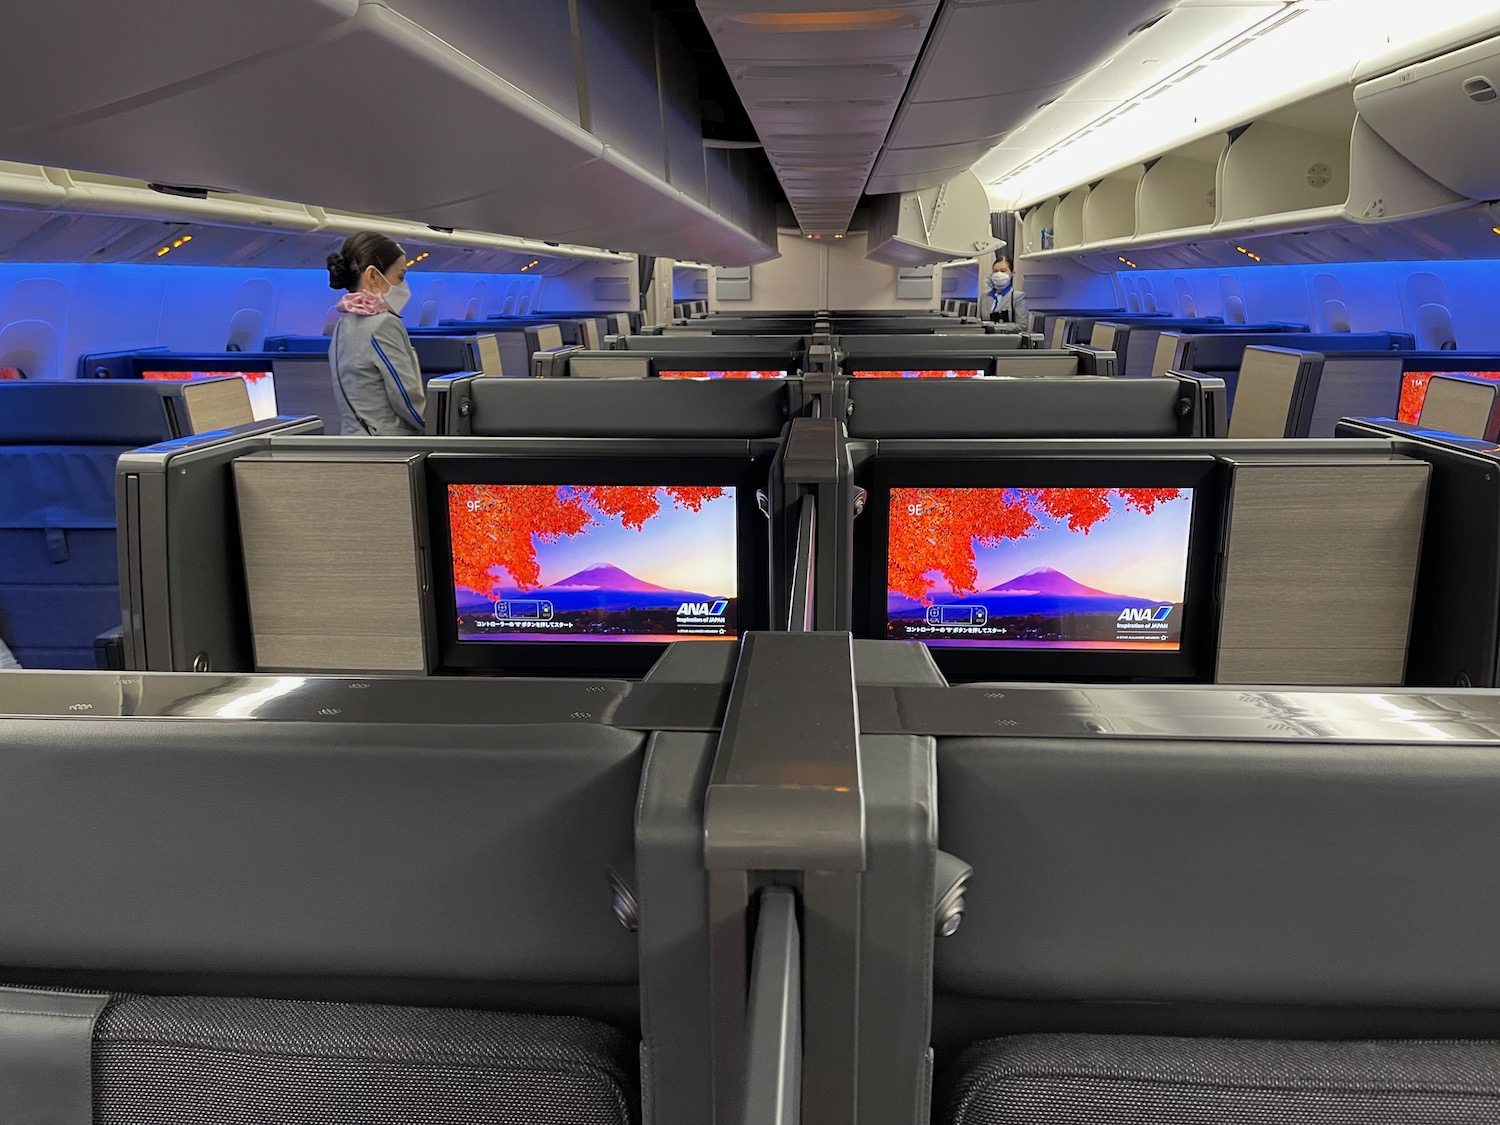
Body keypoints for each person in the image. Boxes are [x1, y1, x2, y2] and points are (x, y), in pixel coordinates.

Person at [327, 232, 426, 436]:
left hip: (356, 447)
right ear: (373, 276)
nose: (404, 286)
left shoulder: (341, 325)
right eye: (400, 276)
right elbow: (407, 400)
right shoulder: (384, 324)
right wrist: (444, 431)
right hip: (391, 449)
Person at [987, 257, 1028, 327]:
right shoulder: (985, 296)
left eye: (1003, 271)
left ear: (1012, 273)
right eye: (995, 271)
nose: (998, 274)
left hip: (1006, 337)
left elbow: (1022, 326)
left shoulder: (1017, 297)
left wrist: (996, 327)